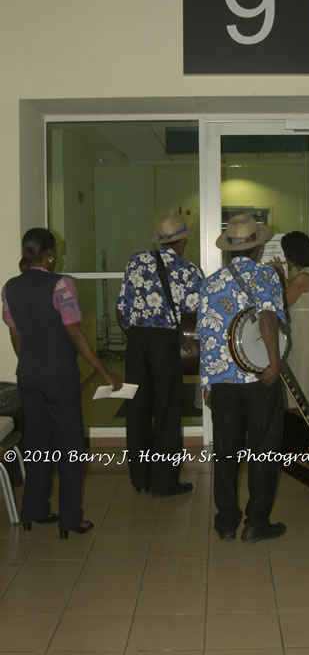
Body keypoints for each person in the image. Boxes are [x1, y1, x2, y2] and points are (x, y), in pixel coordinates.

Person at [2, 227, 122, 539]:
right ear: (50, 254)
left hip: (27, 374)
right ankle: (69, 520)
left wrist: (29, 361)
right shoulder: (61, 285)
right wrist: (105, 371)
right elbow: (75, 334)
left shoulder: (9, 288)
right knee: (69, 448)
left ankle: (33, 510)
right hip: (59, 376)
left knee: (36, 444)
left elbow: (15, 335)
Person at [196, 214, 287, 543]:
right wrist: (274, 364)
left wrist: (207, 383)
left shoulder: (209, 283)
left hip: (223, 383)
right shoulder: (267, 276)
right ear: (257, 246)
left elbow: (204, 336)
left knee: (225, 453)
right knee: (263, 451)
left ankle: (225, 522)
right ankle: (255, 523)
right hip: (259, 380)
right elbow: (267, 319)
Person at [116, 210, 203, 497]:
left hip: (137, 340)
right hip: (166, 341)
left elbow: (122, 307)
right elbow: (195, 311)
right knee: (167, 410)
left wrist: (135, 335)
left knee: (137, 408)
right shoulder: (188, 271)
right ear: (182, 242)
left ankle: (140, 478)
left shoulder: (136, 261)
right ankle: (165, 481)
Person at [272, 231, 309, 409]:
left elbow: (283, 302)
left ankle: (304, 423)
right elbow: (295, 293)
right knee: (303, 379)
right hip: (306, 334)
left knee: (302, 381)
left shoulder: (303, 277)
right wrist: (282, 275)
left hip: (304, 338)